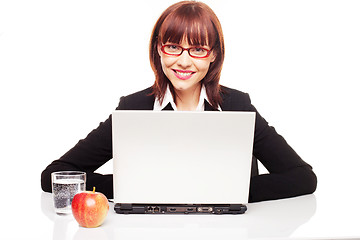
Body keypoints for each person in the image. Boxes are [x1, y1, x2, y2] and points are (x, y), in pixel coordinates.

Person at [41, 1, 317, 203]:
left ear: (213, 56)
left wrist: (228, 192)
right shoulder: (133, 108)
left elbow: (302, 178)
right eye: (173, 47)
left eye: (197, 49)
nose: (183, 61)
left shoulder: (237, 106)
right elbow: (53, 176)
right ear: (159, 49)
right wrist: (132, 188)